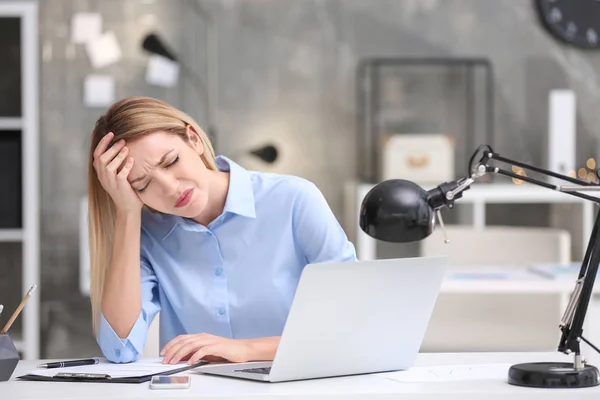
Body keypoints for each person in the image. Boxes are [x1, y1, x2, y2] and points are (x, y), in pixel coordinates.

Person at [87, 96, 357, 365]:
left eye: (171, 162)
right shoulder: (146, 236)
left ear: (193, 139)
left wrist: (247, 350)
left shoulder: (294, 200)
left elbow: (352, 318)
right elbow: (120, 350)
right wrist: (127, 213)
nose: (170, 188)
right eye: (143, 185)